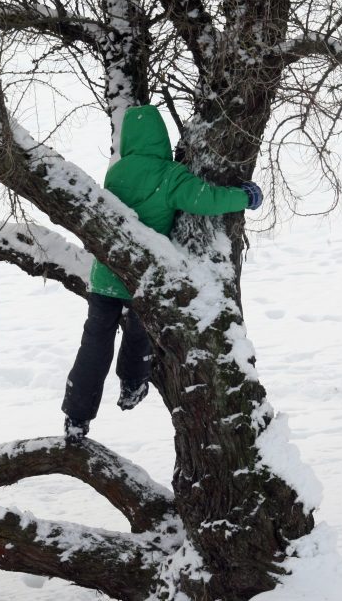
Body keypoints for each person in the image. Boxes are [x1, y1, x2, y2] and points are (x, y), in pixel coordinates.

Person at [62, 104, 264, 442]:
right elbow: (207, 199)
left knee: (94, 344)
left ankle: (77, 417)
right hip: (141, 275)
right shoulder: (169, 174)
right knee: (140, 330)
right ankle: (132, 383)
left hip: (105, 273)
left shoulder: (118, 171)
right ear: (161, 138)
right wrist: (243, 197)